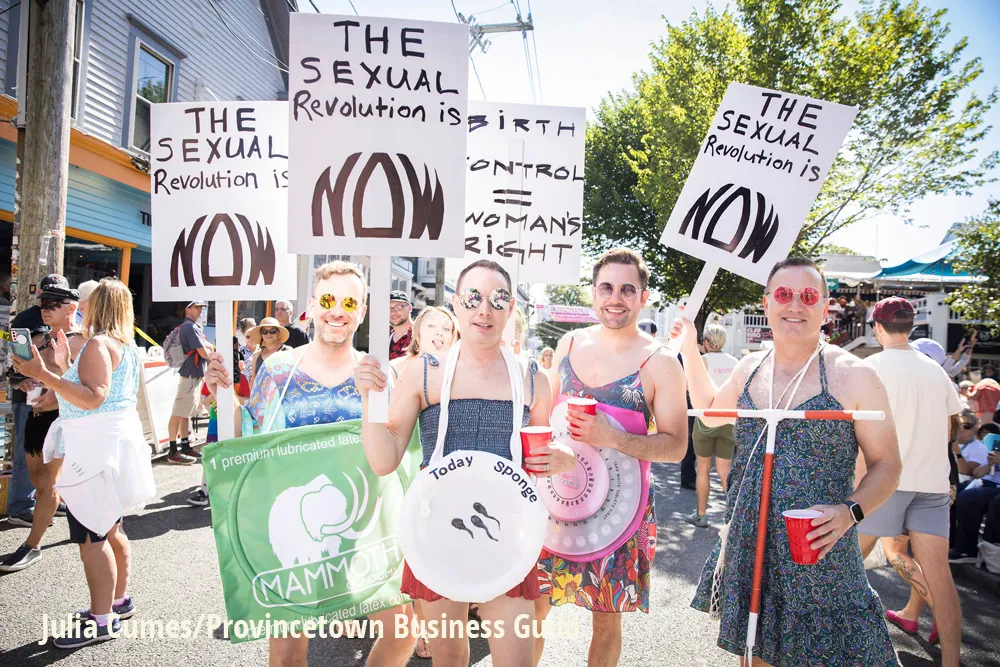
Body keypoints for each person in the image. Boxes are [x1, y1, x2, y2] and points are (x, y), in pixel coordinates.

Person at [675, 256, 901, 667]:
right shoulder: (750, 367)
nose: (795, 305)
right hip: (751, 543)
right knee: (753, 654)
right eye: (783, 294)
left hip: (817, 550)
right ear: (766, 303)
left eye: (808, 295)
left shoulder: (855, 375)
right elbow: (710, 413)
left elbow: (888, 464)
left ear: (825, 306)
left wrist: (850, 511)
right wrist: (689, 347)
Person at [355, 259, 576, 667]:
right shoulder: (424, 373)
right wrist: (370, 400)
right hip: (438, 533)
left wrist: (564, 458)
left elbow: (543, 459)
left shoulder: (533, 379)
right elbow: (384, 460)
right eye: (473, 297)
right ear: (456, 303)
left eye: (498, 299)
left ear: (511, 308)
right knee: (451, 659)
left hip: (508, 535)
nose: (484, 310)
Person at [205, 261, 418, 667]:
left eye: (349, 302)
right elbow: (245, 439)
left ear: (362, 311)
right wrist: (222, 393)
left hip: (365, 529)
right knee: (287, 653)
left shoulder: (379, 374)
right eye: (328, 300)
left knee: (402, 630)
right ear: (312, 306)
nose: (337, 311)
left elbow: (397, 449)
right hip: (294, 535)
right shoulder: (278, 370)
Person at [535, 248, 689, 667]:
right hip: (554, 502)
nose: (615, 298)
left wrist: (612, 437)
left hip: (619, 512)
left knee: (605, 621)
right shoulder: (568, 343)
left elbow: (677, 445)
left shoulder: (661, 362)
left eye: (627, 289)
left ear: (643, 296)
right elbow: (543, 415)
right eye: (606, 287)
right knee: (532, 609)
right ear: (593, 292)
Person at [9, 278, 155, 647]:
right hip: (110, 448)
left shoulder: (98, 344)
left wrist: (44, 375)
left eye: (87, 302)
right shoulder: (125, 345)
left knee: (92, 538)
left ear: (96, 305)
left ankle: (101, 619)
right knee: (110, 530)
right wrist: (60, 368)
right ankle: (117, 602)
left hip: (92, 453)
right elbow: (97, 394)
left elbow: (93, 397)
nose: (81, 306)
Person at [852, 297, 964, 666]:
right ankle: (951, 662)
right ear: (910, 327)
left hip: (885, 481)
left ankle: (816, 647)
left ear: (877, 328)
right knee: (940, 577)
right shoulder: (935, 371)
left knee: (841, 565)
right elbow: (949, 431)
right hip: (932, 482)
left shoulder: (871, 367)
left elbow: (858, 433)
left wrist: (854, 487)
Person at [0, 276, 86, 573]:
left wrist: (57, 395)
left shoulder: (81, 342)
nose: (44, 308)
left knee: (49, 484)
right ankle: (81, 515)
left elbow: (90, 390)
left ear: (71, 307)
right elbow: (16, 375)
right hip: (36, 417)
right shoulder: (40, 339)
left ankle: (32, 545)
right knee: (38, 481)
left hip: (62, 421)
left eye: (52, 304)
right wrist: (23, 381)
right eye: (43, 303)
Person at [685, 323, 739, 528]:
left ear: (706, 341)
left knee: (703, 469)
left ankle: (701, 515)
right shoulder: (735, 362)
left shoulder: (703, 361)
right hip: (729, 420)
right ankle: (735, 516)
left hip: (706, 420)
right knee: (725, 471)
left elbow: (691, 387)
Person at [167, 300, 212, 465]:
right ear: (188, 309)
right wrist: (211, 350)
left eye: (201, 307)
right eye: (197, 307)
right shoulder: (190, 327)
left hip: (193, 373)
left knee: (186, 413)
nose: (200, 310)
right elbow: (204, 352)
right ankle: (173, 450)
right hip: (190, 374)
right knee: (179, 412)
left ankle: (185, 446)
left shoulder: (193, 326)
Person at [949, 422, 1000, 565]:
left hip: (996, 487)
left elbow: (966, 470)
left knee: (968, 498)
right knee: (953, 491)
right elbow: (977, 473)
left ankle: (966, 549)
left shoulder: (976, 446)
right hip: (987, 482)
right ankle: (951, 541)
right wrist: (990, 464)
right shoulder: (994, 442)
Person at [389, 305, 458, 380]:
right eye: (431, 326)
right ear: (416, 331)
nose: (439, 333)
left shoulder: (456, 373)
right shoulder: (394, 370)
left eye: (446, 329)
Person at [247, 317, 291, 387]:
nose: (268, 334)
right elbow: (253, 381)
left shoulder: (288, 351)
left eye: (272, 331)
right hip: (261, 394)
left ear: (278, 333)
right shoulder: (257, 356)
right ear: (261, 334)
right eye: (264, 331)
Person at [388, 290, 414, 361]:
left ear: (410, 308)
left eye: (398, 307)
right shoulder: (385, 337)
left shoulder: (419, 335)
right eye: (389, 308)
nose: (393, 312)